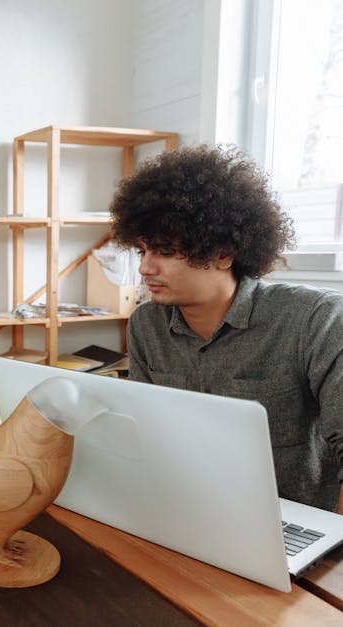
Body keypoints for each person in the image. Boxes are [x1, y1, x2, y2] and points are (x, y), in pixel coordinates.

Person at [110, 144, 343, 513]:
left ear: (222, 253)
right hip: (186, 508)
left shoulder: (314, 320)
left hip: (288, 525)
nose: (145, 268)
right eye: (141, 251)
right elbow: (145, 431)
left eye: (165, 252)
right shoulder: (146, 325)